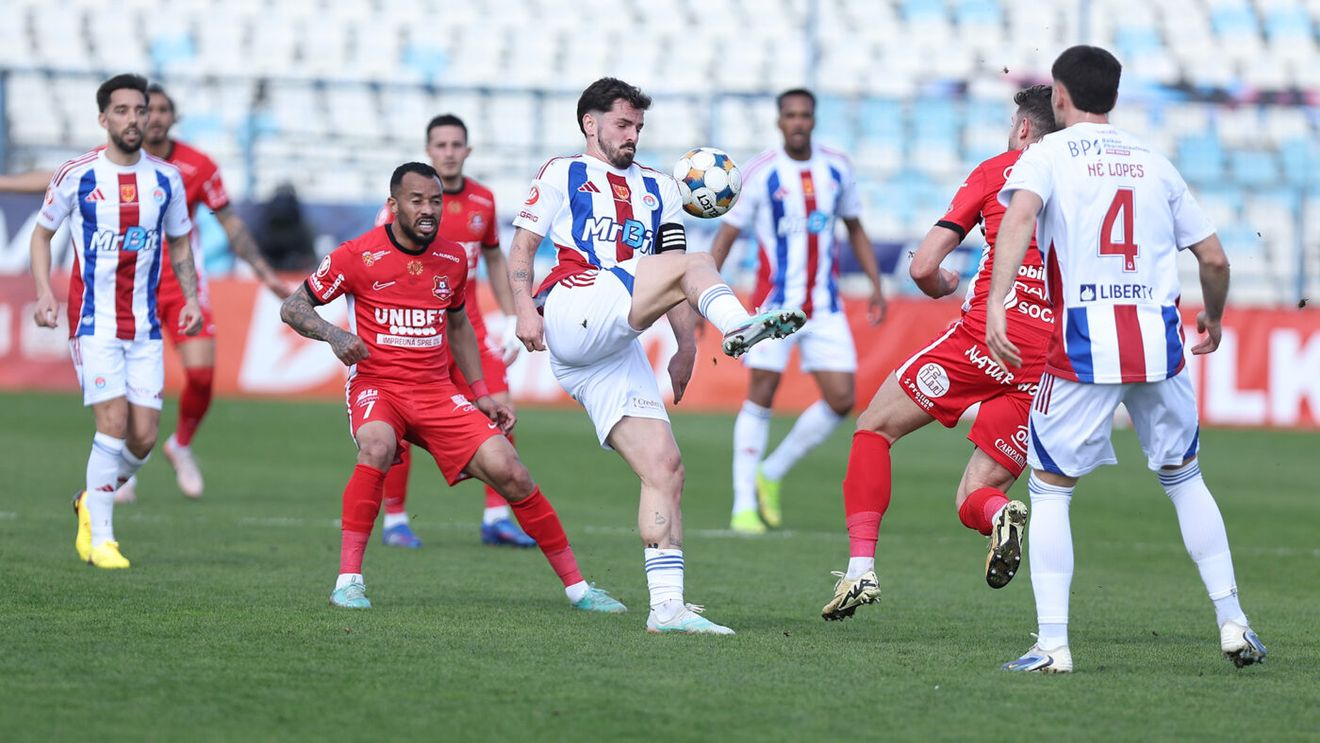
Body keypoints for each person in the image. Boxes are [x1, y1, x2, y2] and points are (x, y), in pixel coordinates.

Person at [985, 45, 1267, 673]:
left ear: (1059, 95)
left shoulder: (1046, 154)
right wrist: (1214, 317)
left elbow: (1020, 215)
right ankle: (1234, 623)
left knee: (1050, 490)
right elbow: (1215, 259)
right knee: (1185, 478)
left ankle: (1053, 646)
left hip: (1083, 344)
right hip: (1157, 343)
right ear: (1113, 96)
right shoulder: (1153, 161)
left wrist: (999, 301)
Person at [508, 77, 807, 635]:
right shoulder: (561, 172)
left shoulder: (659, 188)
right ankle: (739, 326)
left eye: (639, 127)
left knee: (665, 468)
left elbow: (674, 276)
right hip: (575, 303)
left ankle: (666, 608)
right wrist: (525, 310)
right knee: (699, 262)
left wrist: (686, 345)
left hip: (612, 344)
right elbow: (522, 246)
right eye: (622, 124)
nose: (632, 135)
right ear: (590, 124)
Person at [279, 162, 625, 612]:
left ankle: (579, 589)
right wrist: (334, 334)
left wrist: (480, 394)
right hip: (378, 386)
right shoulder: (355, 255)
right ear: (393, 205)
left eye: (435, 201)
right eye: (416, 200)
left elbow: (459, 326)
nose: (428, 209)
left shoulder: (453, 258)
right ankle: (348, 582)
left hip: (436, 391)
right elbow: (293, 307)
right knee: (377, 447)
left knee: (512, 472)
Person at [819, 85, 1058, 622]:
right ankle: (1001, 513)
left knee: (874, 428)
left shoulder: (1000, 170)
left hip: (990, 334)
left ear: (1023, 127)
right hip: (1048, 360)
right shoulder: (1082, 180)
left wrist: (944, 282)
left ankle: (860, 570)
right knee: (975, 494)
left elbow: (924, 266)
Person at [0, 83, 292, 503]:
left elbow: (230, 223)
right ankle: (117, 477)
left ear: (173, 118)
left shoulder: (194, 167)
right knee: (115, 397)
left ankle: (181, 445)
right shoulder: (111, 159)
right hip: (124, 287)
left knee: (202, 374)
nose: (150, 117)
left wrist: (265, 274)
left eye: (160, 110)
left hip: (179, 285)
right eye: (143, 110)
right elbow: (55, 181)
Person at [29, 73, 202, 569]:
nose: (133, 119)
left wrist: (191, 298)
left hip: (145, 329)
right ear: (103, 119)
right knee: (113, 423)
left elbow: (180, 242)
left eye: (140, 110)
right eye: (122, 111)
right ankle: (102, 539)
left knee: (143, 437)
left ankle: (90, 498)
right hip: (94, 323)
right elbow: (42, 235)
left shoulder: (166, 179)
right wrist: (44, 292)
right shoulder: (77, 174)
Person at [709, 88, 887, 535]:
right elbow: (727, 235)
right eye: (790, 115)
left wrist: (875, 284)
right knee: (761, 393)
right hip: (772, 307)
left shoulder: (837, 167)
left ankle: (771, 471)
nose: (798, 122)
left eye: (804, 115)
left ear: (814, 119)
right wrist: (703, 291)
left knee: (841, 400)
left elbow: (855, 227)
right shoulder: (760, 172)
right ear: (779, 121)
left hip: (823, 306)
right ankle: (743, 504)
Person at [371, 114, 534, 550]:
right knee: (397, 425)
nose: (448, 152)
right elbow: (377, 261)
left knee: (501, 408)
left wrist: (510, 316)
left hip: (468, 328)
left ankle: (496, 517)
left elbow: (494, 256)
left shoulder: (483, 200)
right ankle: (396, 520)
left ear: (468, 150)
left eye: (456, 144)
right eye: (440, 145)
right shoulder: (403, 207)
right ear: (428, 150)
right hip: (416, 331)